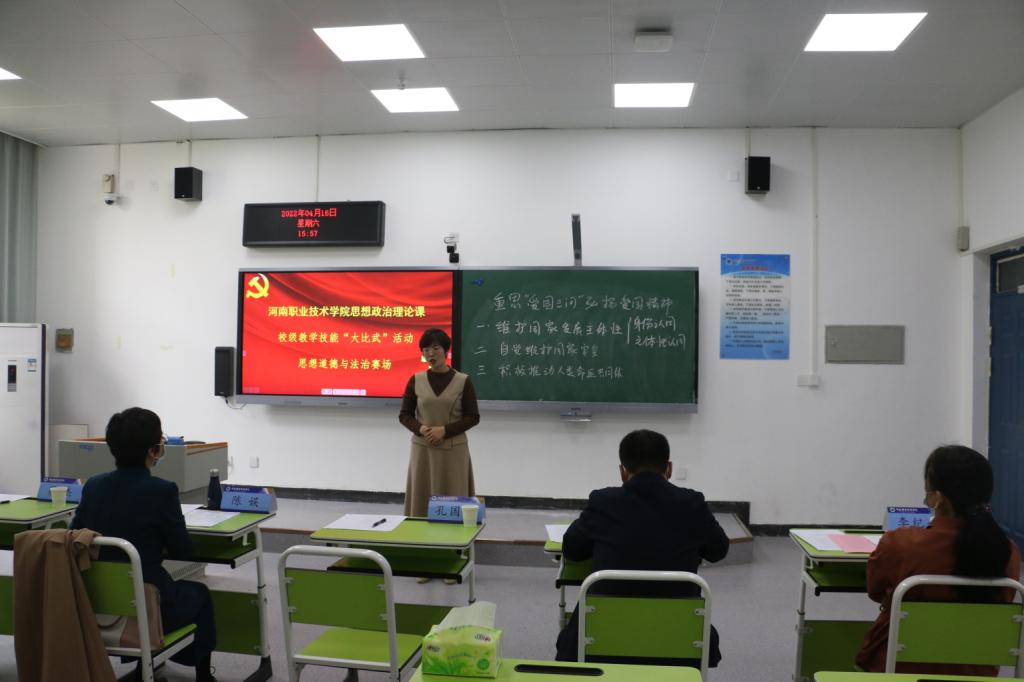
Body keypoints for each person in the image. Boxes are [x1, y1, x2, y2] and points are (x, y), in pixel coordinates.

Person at [554, 429, 729, 667]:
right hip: (678, 639)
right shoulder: (692, 503)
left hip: (603, 639)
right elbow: (718, 551)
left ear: (622, 471)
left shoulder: (603, 501)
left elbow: (572, 550)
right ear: (669, 468)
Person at [71, 407, 217, 682]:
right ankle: (202, 676)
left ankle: (145, 667)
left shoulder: (93, 486)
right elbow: (183, 550)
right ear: (153, 451)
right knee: (199, 594)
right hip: (149, 604)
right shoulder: (162, 490)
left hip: (96, 602)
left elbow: (75, 535)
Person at [856, 445, 1021, 675]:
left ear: (939, 499)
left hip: (900, 668)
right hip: (975, 673)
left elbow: (875, 591)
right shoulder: (1008, 551)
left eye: (927, 492)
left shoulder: (901, 543)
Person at [399, 328, 480, 518]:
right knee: (421, 502)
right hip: (423, 450)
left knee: (454, 501)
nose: (430, 354)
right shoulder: (415, 380)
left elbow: (473, 416)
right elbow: (404, 415)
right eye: (426, 350)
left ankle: (455, 537)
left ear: (446, 351)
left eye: (435, 348)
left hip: (454, 451)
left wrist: (445, 430)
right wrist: (421, 428)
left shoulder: (463, 381)